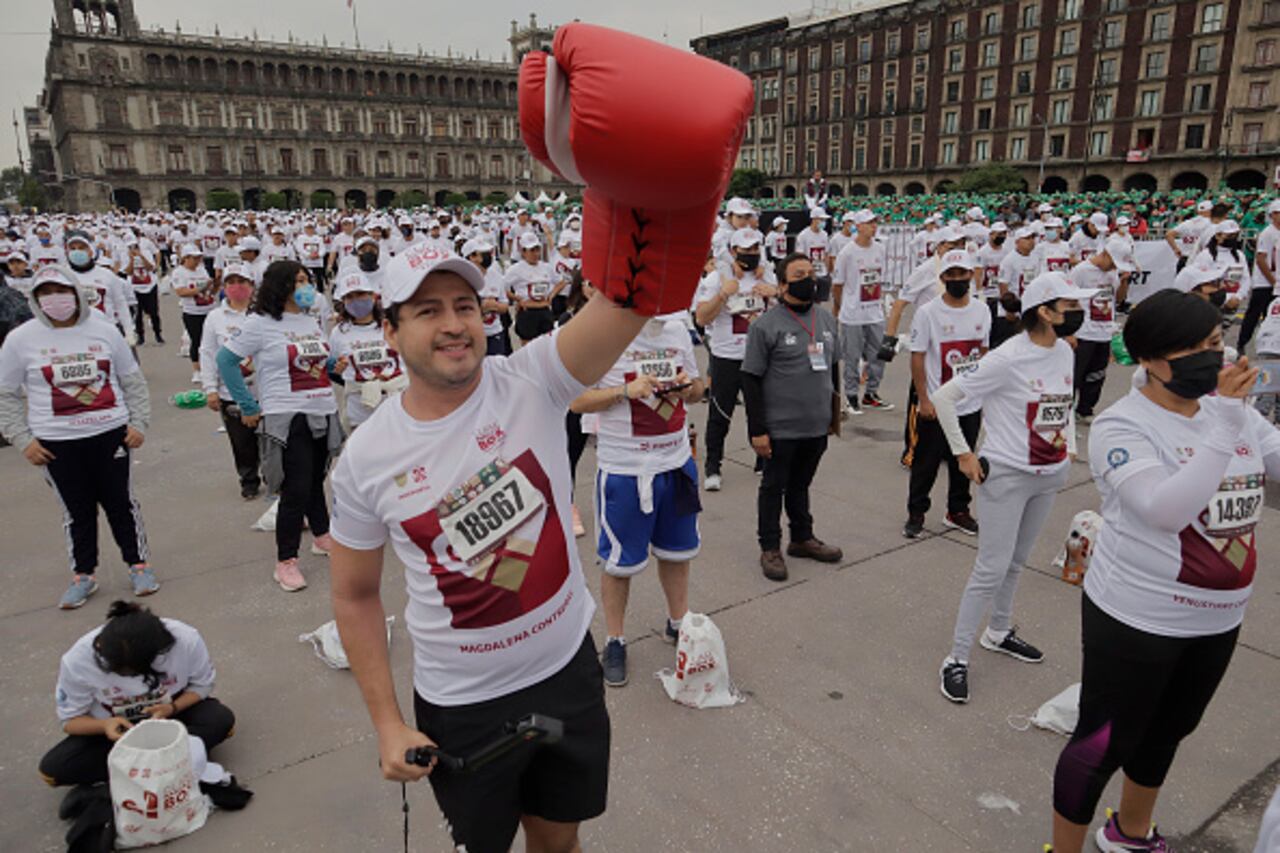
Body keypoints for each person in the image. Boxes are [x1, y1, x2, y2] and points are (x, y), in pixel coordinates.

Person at [1050, 289, 1277, 853]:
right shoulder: (1123, 425)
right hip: (1139, 616)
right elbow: (1164, 511)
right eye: (1193, 349)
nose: (1212, 357)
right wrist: (1225, 427)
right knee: (1102, 743)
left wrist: (1232, 419)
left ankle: (1129, 832)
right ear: (1150, 359)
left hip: (1219, 618)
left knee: (1169, 730)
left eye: (1217, 342)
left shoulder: (1232, 412)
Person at [932, 273, 1093, 703]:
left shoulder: (1064, 350)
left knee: (1017, 562)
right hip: (1007, 476)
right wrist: (963, 454)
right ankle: (956, 657)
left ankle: (998, 631)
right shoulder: (1007, 358)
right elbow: (945, 397)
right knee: (991, 567)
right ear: (1045, 312)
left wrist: (1070, 446)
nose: (1079, 313)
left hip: (1048, 475)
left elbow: (1064, 403)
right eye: (1070, 306)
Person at [0, 265, 157, 609]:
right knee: (76, 510)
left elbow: (132, 381)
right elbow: (5, 394)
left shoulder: (104, 331)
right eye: (45, 293)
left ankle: (139, 565)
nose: (55, 299)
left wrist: (139, 423)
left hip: (110, 434)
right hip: (55, 443)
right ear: (35, 299)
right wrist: (22, 439)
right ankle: (83, 574)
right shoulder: (21, 339)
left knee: (121, 503)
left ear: (75, 293)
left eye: (61, 290)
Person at [570, 311, 703, 686]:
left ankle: (678, 623)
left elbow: (698, 388)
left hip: (676, 462)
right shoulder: (605, 334)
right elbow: (577, 401)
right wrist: (624, 391)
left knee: (677, 552)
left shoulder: (677, 328)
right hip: (625, 469)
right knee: (618, 563)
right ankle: (615, 639)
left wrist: (686, 388)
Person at [216, 260, 342, 592]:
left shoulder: (310, 321)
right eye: (298, 281)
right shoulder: (259, 324)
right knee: (295, 488)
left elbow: (319, 360)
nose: (306, 287)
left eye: (307, 280)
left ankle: (322, 535)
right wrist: (247, 404)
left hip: (322, 409)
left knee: (315, 479)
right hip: (287, 416)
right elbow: (226, 361)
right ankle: (286, 561)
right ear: (280, 286)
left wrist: (336, 364)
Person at [37, 600, 236, 794]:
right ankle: (176, 761)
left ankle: (138, 770)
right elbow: (70, 720)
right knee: (54, 770)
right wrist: (105, 725)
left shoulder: (186, 639)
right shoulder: (77, 660)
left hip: (172, 717)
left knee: (220, 721)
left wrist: (172, 708)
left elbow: (202, 685)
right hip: (119, 733)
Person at [742, 252, 844, 581]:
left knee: (801, 484)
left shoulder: (825, 319)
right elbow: (751, 380)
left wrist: (833, 413)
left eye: (811, 273)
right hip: (780, 427)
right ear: (783, 284)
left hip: (815, 424)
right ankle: (770, 547)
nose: (809, 280)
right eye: (800, 275)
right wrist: (757, 430)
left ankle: (801, 538)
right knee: (773, 487)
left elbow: (832, 367)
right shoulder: (765, 326)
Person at [904, 250, 989, 539]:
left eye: (962, 274)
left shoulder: (982, 310)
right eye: (951, 275)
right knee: (925, 464)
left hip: (970, 404)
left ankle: (958, 511)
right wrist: (924, 399)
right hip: (937, 405)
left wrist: (982, 395)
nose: (957, 279)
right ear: (942, 278)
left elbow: (984, 353)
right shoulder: (928, 312)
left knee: (962, 459)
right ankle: (916, 512)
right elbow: (917, 357)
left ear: (971, 275)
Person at [695, 228, 778, 490]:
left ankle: (763, 460)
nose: (751, 254)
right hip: (727, 357)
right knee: (720, 414)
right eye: (745, 250)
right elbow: (701, 318)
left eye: (755, 249)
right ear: (733, 251)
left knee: (761, 412)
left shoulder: (767, 274)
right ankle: (713, 467)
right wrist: (723, 294)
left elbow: (784, 311)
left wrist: (774, 292)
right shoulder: (717, 278)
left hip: (760, 357)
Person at [199, 263, 262, 500]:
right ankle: (249, 480)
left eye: (242, 282)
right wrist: (210, 389)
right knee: (241, 442)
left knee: (269, 439)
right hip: (231, 393)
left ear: (252, 285)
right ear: (224, 287)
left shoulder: (263, 314)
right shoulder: (215, 317)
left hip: (264, 390)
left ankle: (273, 477)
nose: (237, 287)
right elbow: (207, 352)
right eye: (231, 282)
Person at [831, 209, 893, 413]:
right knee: (852, 357)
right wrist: (841, 306)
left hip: (875, 313)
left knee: (879, 355)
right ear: (858, 226)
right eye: (869, 223)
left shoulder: (880, 249)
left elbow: (880, 279)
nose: (874, 226)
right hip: (853, 315)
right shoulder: (847, 253)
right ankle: (851, 396)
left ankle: (871, 393)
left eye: (875, 222)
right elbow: (837, 285)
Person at [328, 269, 406, 429]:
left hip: (398, 409)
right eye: (350, 297)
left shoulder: (392, 326)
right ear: (343, 302)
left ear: (373, 296)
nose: (356, 300)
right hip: (360, 414)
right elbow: (333, 369)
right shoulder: (339, 333)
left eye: (360, 294)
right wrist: (340, 371)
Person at [1068, 238, 1132, 422]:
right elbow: (1069, 299)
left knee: (1097, 375)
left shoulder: (1113, 274)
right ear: (1105, 254)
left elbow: (1118, 299)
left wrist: (1124, 281)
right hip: (1083, 332)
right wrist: (1070, 332)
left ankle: (1085, 409)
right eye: (1112, 262)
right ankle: (1066, 412)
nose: (1113, 267)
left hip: (1104, 332)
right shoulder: (1081, 271)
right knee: (1075, 374)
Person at [171, 243, 220, 385]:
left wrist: (215, 284)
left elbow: (210, 290)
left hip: (209, 309)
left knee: (212, 341)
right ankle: (197, 370)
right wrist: (200, 288)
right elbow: (181, 292)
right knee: (197, 340)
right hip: (192, 311)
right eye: (194, 258)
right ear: (186, 258)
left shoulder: (202, 270)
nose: (197, 261)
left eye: (198, 258)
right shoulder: (179, 272)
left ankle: (211, 368)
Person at [1238, 200, 1279, 351]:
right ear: (1272, 215)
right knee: (1254, 314)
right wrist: (1273, 281)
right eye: (1277, 213)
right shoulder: (1267, 233)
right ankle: (1242, 344)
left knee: (1273, 316)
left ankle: (1270, 346)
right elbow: (1261, 259)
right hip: (1264, 282)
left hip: (1276, 282)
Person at [505, 232, 560, 342]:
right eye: (532, 250)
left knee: (547, 345)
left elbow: (561, 282)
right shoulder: (515, 269)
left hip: (544, 310)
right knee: (527, 346)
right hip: (528, 312)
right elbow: (502, 288)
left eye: (537, 249)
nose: (535, 254)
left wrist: (552, 295)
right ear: (523, 252)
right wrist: (517, 299)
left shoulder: (546, 267)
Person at [120, 235, 162, 345]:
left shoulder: (146, 252)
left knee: (153, 312)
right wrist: (131, 260)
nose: (133, 249)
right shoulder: (124, 255)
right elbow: (127, 272)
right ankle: (140, 336)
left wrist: (142, 257)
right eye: (130, 247)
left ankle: (158, 334)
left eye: (135, 246)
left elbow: (151, 267)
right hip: (134, 287)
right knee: (137, 314)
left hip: (150, 286)